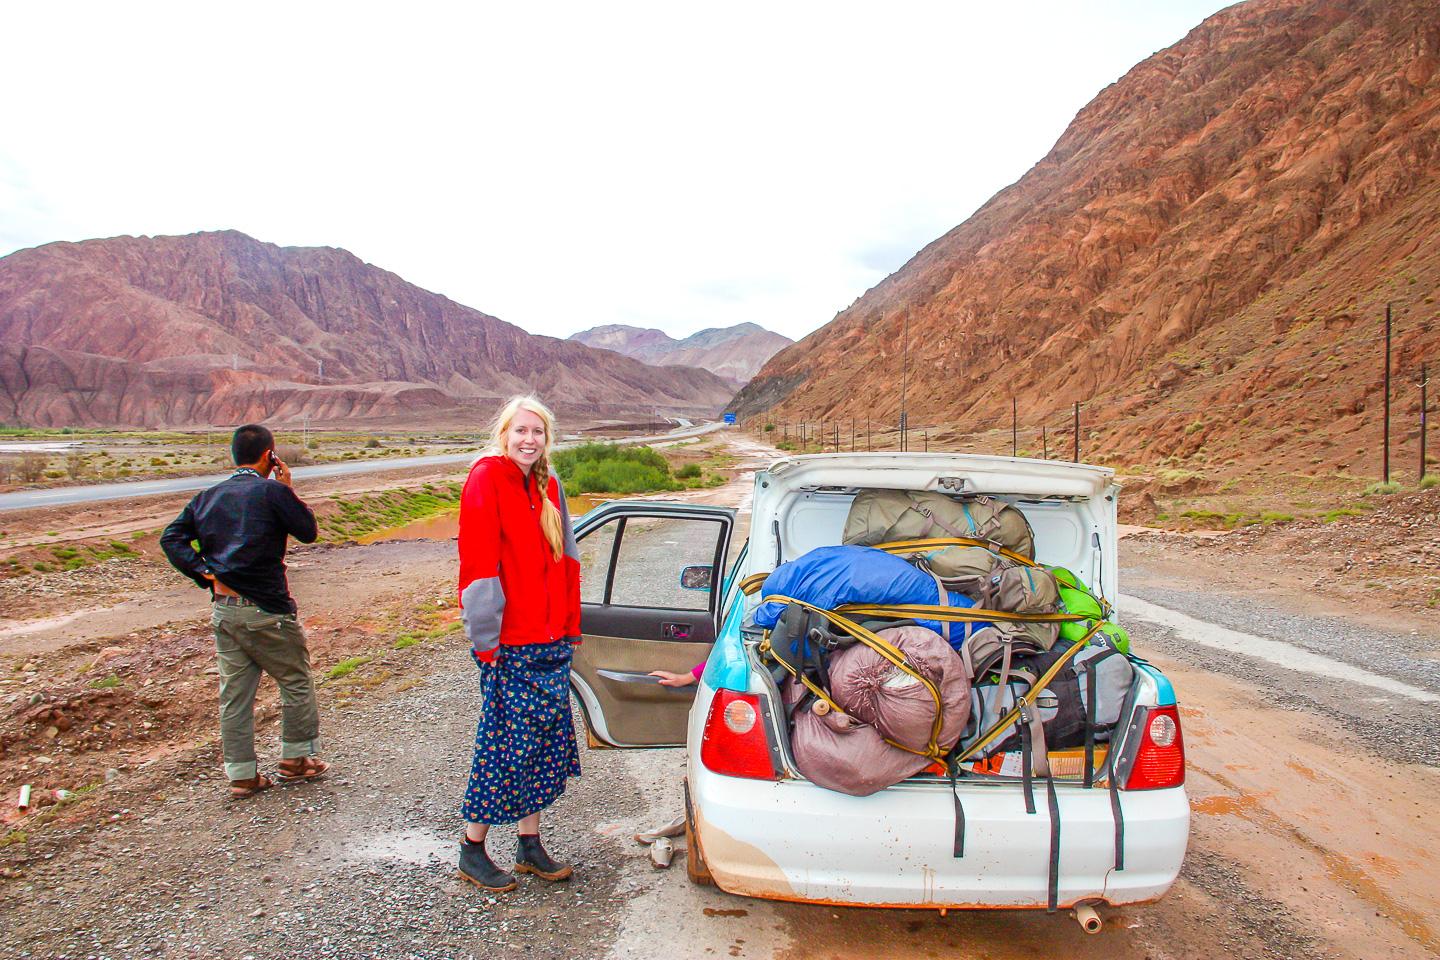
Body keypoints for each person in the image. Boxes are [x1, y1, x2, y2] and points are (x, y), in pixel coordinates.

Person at [159, 424, 329, 799]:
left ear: (233, 455)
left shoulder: (208, 496)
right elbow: (308, 531)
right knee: (295, 681)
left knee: (235, 696)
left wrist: (206, 572)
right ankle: (297, 760)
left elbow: (170, 538)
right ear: (270, 455)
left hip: (225, 610)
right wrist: (287, 489)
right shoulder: (273, 492)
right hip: (268, 609)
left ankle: (241, 775)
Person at [456, 395, 582, 893]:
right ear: (503, 433)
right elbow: (479, 562)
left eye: (538, 432)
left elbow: (567, 561)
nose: (529, 439)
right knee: (503, 746)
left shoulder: (549, 484)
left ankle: (529, 844)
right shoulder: (486, 478)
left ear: (547, 439)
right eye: (520, 431)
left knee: (541, 745)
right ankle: (472, 848)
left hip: (551, 641)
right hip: (510, 644)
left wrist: (570, 627)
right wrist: (486, 642)